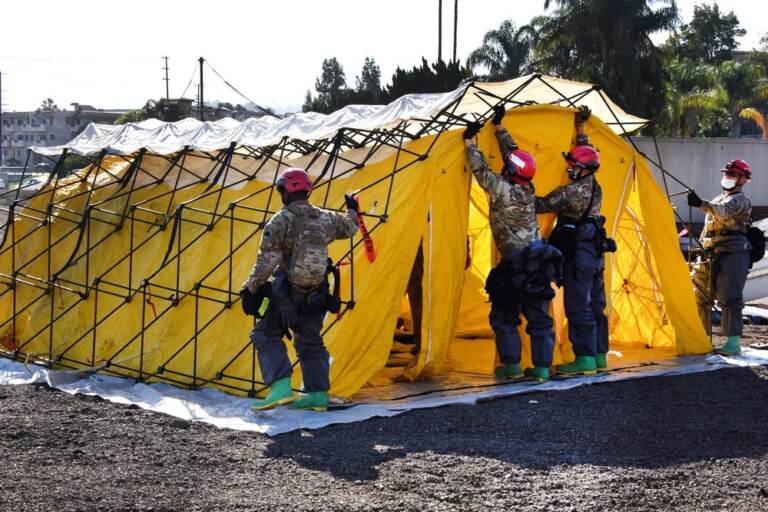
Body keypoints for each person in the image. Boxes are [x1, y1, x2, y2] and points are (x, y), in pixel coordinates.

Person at [242, 168, 358, 411]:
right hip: (317, 294)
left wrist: (250, 288)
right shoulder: (325, 218)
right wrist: (352, 209)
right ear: (307, 190)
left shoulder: (282, 219)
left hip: (288, 293)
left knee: (265, 333)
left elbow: (268, 259)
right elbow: (350, 228)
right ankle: (317, 396)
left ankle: (280, 389)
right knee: (311, 341)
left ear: (286, 191)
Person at [463, 105, 559, 382]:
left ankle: (511, 366)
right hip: (537, 262)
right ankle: (541, 368)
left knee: (504, 316)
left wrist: (469, 141)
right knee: (539, 318)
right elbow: (514, 155)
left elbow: (480, 169)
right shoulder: (528, 187)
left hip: (515, 265)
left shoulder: (502, 190)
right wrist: (500, 127)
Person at [535, 107, 610, 376]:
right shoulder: (595, 185)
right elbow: (586, 153)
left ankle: (585, 359)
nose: (569, 168)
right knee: (597, 306)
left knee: (578, 306)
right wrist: (580, 129)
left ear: (582, 169)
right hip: (595, 251)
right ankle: (600, 355)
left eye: (573, 166)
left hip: (578, 255)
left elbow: (540, 204)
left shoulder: (569, 193)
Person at [687, 159, 752, 355]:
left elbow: (722, 213)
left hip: (732, 254)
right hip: (709, 252)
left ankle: (732, 344)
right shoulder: (719, 198)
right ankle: (701, 339)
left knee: (729, 297)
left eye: (733, 175)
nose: (728, 178)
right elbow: (709, 226)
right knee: (699, 296)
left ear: (743, 180)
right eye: (727, 174)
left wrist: (701, 203)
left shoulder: (739, 200)